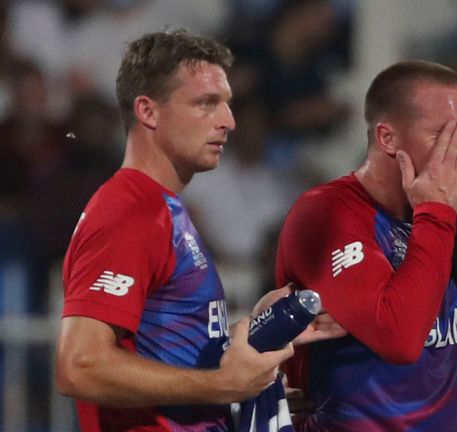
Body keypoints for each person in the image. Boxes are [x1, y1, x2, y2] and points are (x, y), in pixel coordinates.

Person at [274, 60, 457, 431]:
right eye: (445, 136)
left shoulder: (453, 221)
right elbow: (401, 340)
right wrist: (436, 212)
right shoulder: (327, 211)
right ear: (388, 139)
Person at [54, 29, 295, 431]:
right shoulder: (129, 212)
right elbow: (80, 364)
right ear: (148, 111)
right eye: (206, 103)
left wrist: (253, 354)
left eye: (227, 105)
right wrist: (222, 386)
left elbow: (169, 348)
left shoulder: (163, 208)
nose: (229, 121)